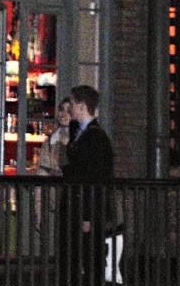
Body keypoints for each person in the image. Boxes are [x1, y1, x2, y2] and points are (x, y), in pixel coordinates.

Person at [59, 85, 115, 286]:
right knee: (74, 259)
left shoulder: (95, 138)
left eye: (73, 104)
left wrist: (89, 215)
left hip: (84, 207)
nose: (70, 108)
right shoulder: (82, 133)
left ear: (82, 106)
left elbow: (96, 177)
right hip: (77, 206)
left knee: (87, 260)